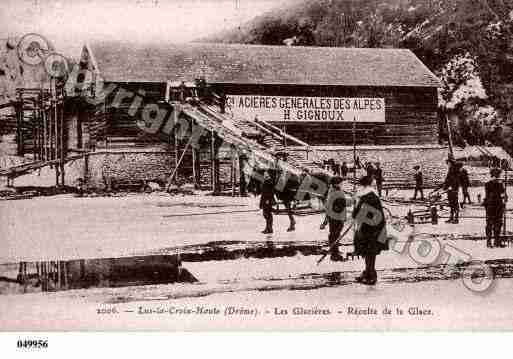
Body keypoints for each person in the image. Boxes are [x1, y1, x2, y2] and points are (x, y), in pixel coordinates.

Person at [352, 175, 387, 285]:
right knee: (369, 252)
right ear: (370, 183)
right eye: (373, 181)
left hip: (370, 228)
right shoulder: (370, 195)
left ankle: (370, 274)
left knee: (369, 251)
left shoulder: (365, 195)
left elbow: (357, 213)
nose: (375, 183)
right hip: (371, 228)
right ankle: (368, 272)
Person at [321, 176, 347, 261]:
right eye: (341, 183)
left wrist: (326, 220)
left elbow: (328, 206)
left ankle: (334, 252)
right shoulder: (337, 192)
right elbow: (342, 204)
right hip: (337, 218)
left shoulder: (332, 191)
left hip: (334, 217)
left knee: (333, 234)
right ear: (337, 184)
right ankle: (334, 254)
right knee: (335, 235)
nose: (342, 184)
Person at [483, 167, 507, 248]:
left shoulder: (488, 184)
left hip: (491, 206)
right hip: (496, 206)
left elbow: (487, 196)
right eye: (498, 175)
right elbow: (504, 196)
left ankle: (491, 242)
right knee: (496, 224)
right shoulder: (499, 184)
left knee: (492, 224)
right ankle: (495, 242)